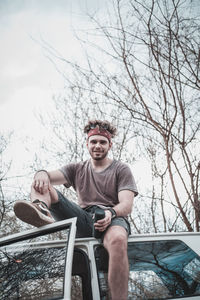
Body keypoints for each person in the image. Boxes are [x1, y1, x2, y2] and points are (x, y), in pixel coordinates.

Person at [14, 119, 138, 300]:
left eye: (102, 142)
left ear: (110, 145)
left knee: (118, 239)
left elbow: (126, 205)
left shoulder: (121, 169)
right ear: (87, 144)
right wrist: (41, 173)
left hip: (111, 217)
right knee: (40, 183)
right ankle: (41, 209)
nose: (98, 145)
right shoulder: (76, 168)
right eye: (93, 141)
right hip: (83, 218)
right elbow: (47, 177)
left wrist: (111, 213)